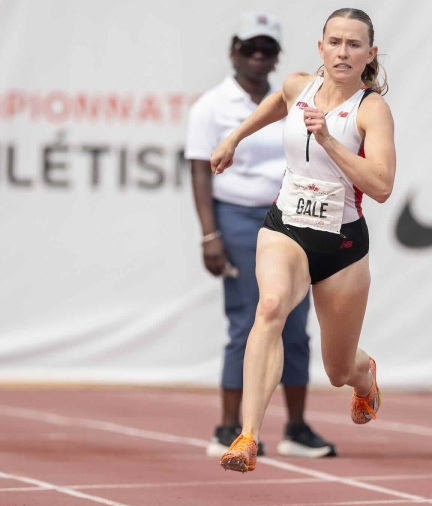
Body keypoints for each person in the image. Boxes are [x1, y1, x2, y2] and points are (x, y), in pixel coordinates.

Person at [210, 7, 395, 474]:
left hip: (343, 245)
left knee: (336, 371)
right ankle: (248, 435)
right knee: (270, 307)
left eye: (354, 44)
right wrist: (234, 138)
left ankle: (363, 374)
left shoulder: (371, 110)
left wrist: (331, 141)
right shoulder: (299, 86)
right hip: (286, 226)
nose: (343, 52)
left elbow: (381, 185)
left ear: (369, 54)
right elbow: (277, 104)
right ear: (321, 48)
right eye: (335, 42)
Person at [185, 12, 336, 461]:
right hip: (237, 216)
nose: (257, 56)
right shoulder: (211, 106)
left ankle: (296, 426)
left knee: (295, 324)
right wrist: (209, 234)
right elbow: (199, 171)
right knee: (248, 318)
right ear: (233, 50)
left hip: (294, 217)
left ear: (277, 57)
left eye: (266, 49)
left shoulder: (298, 99)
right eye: (250, 47)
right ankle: (229, 426)